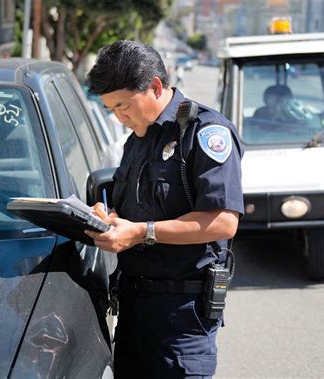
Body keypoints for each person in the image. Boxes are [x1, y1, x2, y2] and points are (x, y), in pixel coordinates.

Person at [85, 40, 244, 378]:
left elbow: (223, 222)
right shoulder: (137, 138)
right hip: (133, 309)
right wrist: (110, 220)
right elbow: (138, 211)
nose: (119, 117)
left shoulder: (204, 133)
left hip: (182, 318)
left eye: (123, 106)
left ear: (155, 87)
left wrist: (142, 232)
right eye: (111, 109)